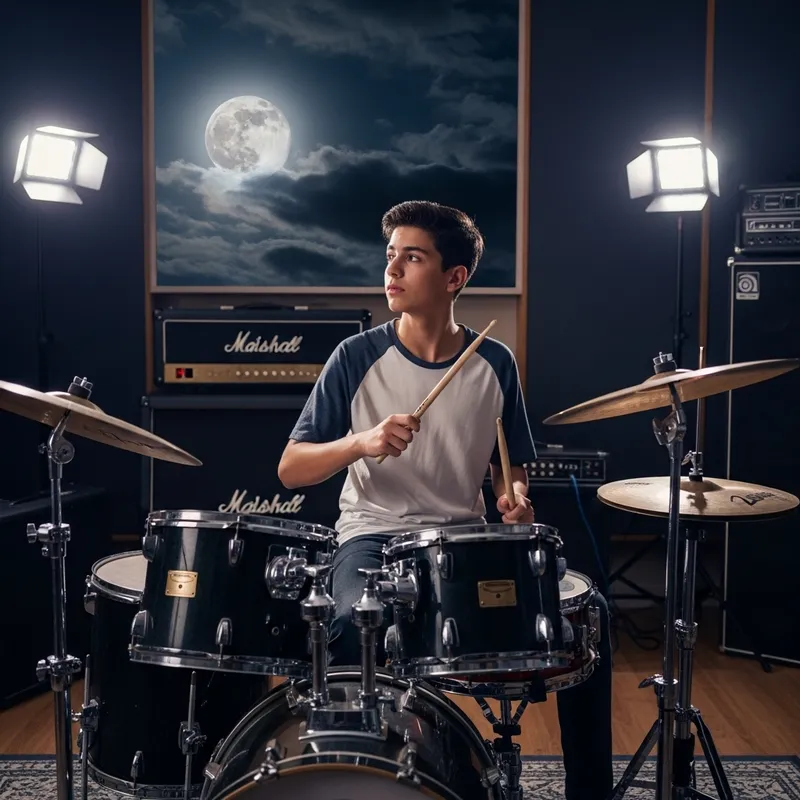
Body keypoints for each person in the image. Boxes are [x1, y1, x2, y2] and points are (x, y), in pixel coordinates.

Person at [278, 200, 612, 800]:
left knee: (585, 616)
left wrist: (514, 501)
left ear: (454, 276)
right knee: (350, 621)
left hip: (464, 541)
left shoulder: (494, 362)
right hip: (374, 536)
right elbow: (290, 469)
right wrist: (361, 442)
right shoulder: (355, 357)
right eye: (390, 255)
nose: (392, 270)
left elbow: (509, 470)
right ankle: (355, 774)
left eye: (412, 257)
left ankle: (589, 792)